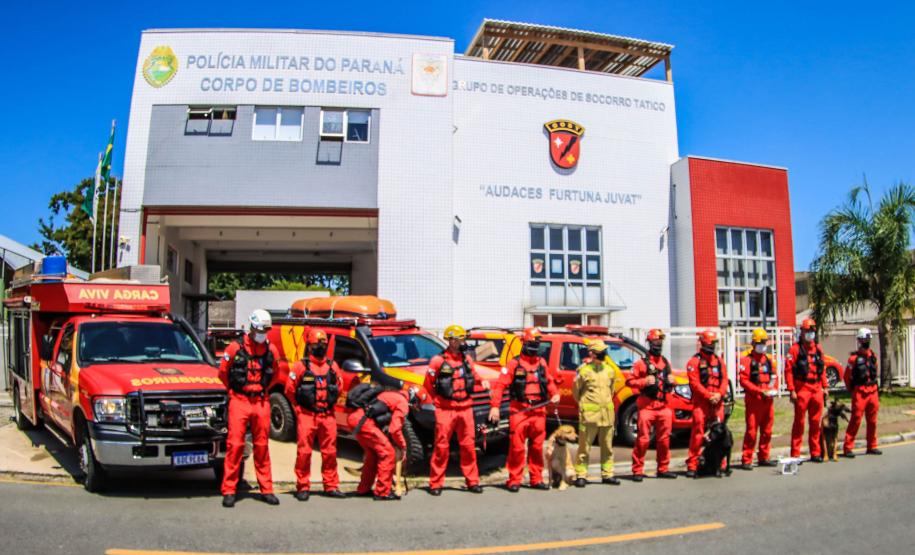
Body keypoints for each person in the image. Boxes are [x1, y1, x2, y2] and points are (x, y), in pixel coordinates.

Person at [218, 309, 280, 507]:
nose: (264, 334)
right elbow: (222, 373)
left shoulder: (271, 350)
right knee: (235, 446)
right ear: (252, 327)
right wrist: (236, 392)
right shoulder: (234, 348)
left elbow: (275, 375)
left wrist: (261, 391)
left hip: (261, 401)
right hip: (240, 400)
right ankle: (229, 489)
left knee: (262, 447)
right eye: (261, 330)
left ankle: (266, 489)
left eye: (266, 330)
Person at [488, 327, 560, 492]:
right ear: (524, 343)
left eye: (537, 343)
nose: (535, 346)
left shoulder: (541, 363)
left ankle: (536, 479)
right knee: (517, 448)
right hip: (519, 410)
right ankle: (514, 480)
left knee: (536, 447)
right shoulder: (514, 364)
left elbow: (549, 381)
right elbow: (500, 386)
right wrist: (495, 407)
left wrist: (555, 394)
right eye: (532, 343)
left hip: (538, 411)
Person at [424, 325, 488, 495]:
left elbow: (474, 375)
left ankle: (472, 481)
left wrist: (483, 382)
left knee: (468, 446)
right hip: (446, 410)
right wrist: (438, 402)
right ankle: (436, 484)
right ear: (451, 340)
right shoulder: (438, 361)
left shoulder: (466, 359)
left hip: (466, 408)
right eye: (459, 339)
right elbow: (428, 384)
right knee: (441, 447)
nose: (462, 342)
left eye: (462, 339)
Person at [285, 328, 345, 501]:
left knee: (330, 452)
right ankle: (303, 486)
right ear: (309, 346)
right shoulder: (300, 366)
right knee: (304, 452)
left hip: (327, 415)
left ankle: (331, 485)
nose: (320, 347)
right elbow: (289, 390)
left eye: (323, 344)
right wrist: (297, 408)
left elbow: (339, 388)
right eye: (316, 344)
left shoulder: (332, 367)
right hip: (306, 415)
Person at [627, 329, 678, 481]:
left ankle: (663, 468)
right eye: (655, 341)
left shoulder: (665, 362)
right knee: (643, 440)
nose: (658, 344)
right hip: (647, 407)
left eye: (660, 342)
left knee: (664, 440)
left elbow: (670, 384)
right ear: (650, 343)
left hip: (663, 407)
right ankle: (637, 470)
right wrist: (644, 381)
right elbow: (630, 381)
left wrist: (672, 382)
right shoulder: (641, 363)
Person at [347, 379, 410, 500]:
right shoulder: (403, 403)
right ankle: (382, 492)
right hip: (364, 422)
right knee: (388, 453)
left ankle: (363, 489)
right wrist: (403, 446)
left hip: (355, 419)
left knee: (372, 455)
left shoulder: (389, 395)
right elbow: (395, 429)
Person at [572, 339, 624, 486]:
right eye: (600, 352)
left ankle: (607, 474)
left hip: (607, 416)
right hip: (589, 417)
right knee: (584, 447)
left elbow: (612, 391)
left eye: (603, 351)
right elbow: (576, 392)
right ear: (592, 353)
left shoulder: (609, 370)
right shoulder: (583, 371)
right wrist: (585, 406)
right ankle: (581, 475)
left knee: (607, 447)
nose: (604, 354)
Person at [685, 329, 730, 478]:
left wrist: (719, 394)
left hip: (717, 403)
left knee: (719, 434)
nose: (713, 347)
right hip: (701, 403)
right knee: (697, 433)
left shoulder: (719, 361)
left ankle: (721, 463)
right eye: (711, 344)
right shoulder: (694, 362)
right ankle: (692, 464)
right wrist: (708, 396)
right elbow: (694, 383)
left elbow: (724, 380)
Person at [785, 318, 830, 462]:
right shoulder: (795, 349)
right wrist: (791, 389)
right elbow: (788, 371)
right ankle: (795, 453)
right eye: (807, 331)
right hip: (802, 388)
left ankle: (815, 452)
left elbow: (822, 370)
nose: (810, 333)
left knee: (815, 422)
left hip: (816, 389)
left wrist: (825, 387)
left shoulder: (818, 349)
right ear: (802, 332)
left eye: (812, 331)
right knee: (799, 423)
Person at [738, 328, 779, 470]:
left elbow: (774, 377)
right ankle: (747, 459)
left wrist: (773, 389)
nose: (763, 344)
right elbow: (743, 380)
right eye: (760, 342)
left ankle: (764, 456)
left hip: (768, 400)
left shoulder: (769, 359)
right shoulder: (747, 360)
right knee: (751, 431)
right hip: (754, 400)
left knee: (767, 430)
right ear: (753, 343)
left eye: (764, 342)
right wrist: (759, 391)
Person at [843, 328, 882, 457]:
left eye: (868, 339)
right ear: (859, 340)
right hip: (860, 392)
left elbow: (875, 371)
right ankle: (848, 447)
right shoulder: (853, 359)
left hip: (873, 392)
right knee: (856, 420)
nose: (866, 342)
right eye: (864, 339)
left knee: (873, 421)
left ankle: (872, 445)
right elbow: (846, 376)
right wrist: (851, 389)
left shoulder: (873, 356)